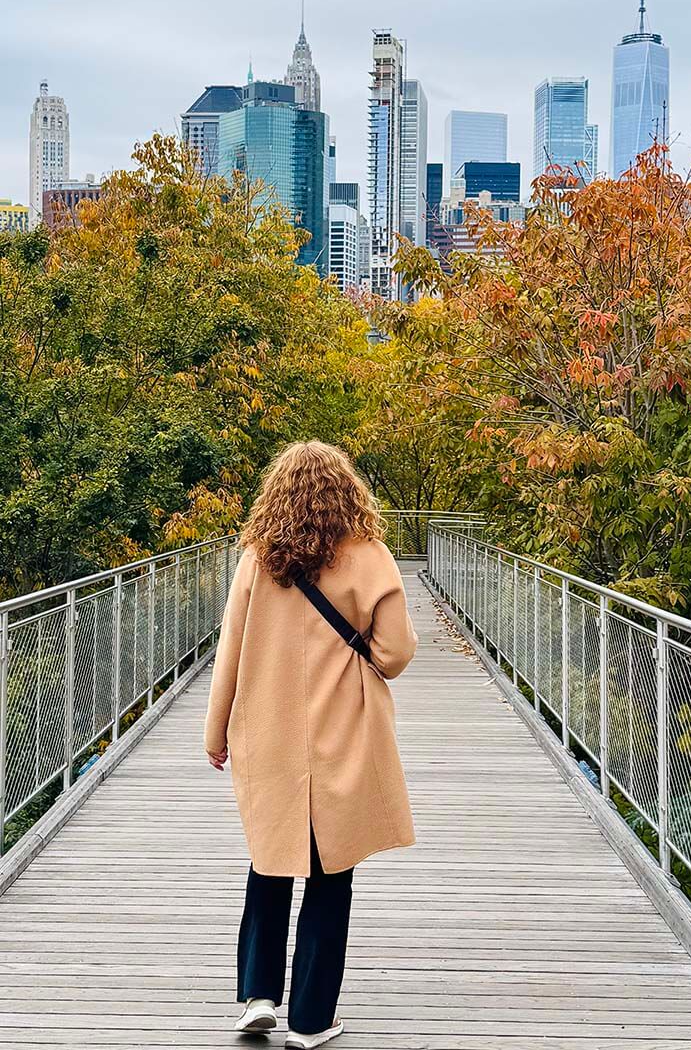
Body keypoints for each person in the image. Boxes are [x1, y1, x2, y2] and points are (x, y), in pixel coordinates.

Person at [204, 441, 417, 1047]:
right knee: (331, 870)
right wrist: (364, 654)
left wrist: (215, 731)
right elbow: (397, 654)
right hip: (342, 732)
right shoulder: (370, 556)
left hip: (267, 733)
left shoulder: (255, 559)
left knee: (269, 860)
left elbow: (230, 653)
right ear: (346, 491)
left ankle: (256, 995)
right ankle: (311, 1020)